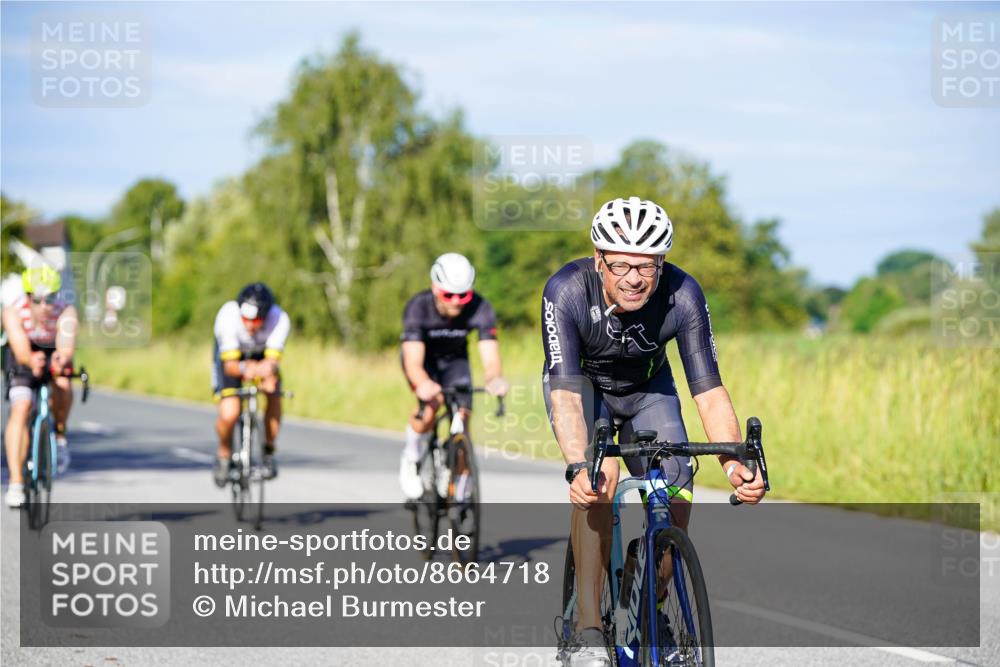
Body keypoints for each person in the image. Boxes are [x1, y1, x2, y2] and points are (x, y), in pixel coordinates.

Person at [542, 197, 766, 665]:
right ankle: (588, 630)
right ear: (599, 259)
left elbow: (709, 391)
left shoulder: (684, 294)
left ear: (661, 264)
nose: (634, 278)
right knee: (599, 481)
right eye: (621, 265)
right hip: (583, 389)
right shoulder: (566, 290)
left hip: (648, 391)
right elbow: (564, 394)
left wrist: (733, 464)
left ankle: (652, 603)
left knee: (677, 483)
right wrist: (578, 466)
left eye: (646, 266)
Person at [398, 253, 508, 500]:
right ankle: (412, 457)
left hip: (455, 361)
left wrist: (494, 379)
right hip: (423, 361)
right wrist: (423, 383)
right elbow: (413, 362)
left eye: (463, 295)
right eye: (449, 295)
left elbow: (490, 355)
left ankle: (456, 473)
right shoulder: (418, 307)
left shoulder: (480, 307)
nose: (457, 302)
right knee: (430, 407)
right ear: (435, 288)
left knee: (463, 416)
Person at [3, 265, 78, 508]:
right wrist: (29, 360)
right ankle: (16, 482)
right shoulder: (13, 311)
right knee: (22, 407)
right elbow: (19, 347)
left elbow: (66, 345)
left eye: (51, 298)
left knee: (63, 383)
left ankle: (60, 436)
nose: (45, 306)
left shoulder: (65, 311)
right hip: (22, 353)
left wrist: (61, 359)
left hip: (53, 349)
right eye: (37, 300)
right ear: (27, 297)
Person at [211, 282, 289, 486]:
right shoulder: (228, 317)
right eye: (245, 319)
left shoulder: (279, 319)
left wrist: (264, 371)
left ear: (266, 315)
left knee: (273, 390)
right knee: (230, 412)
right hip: (232, 358)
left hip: (261, 356)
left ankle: (269, 451)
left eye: (256, 320)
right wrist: (248, 369)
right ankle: (223, 454)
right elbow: (230, 367)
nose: (249, 325)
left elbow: (272, 362)